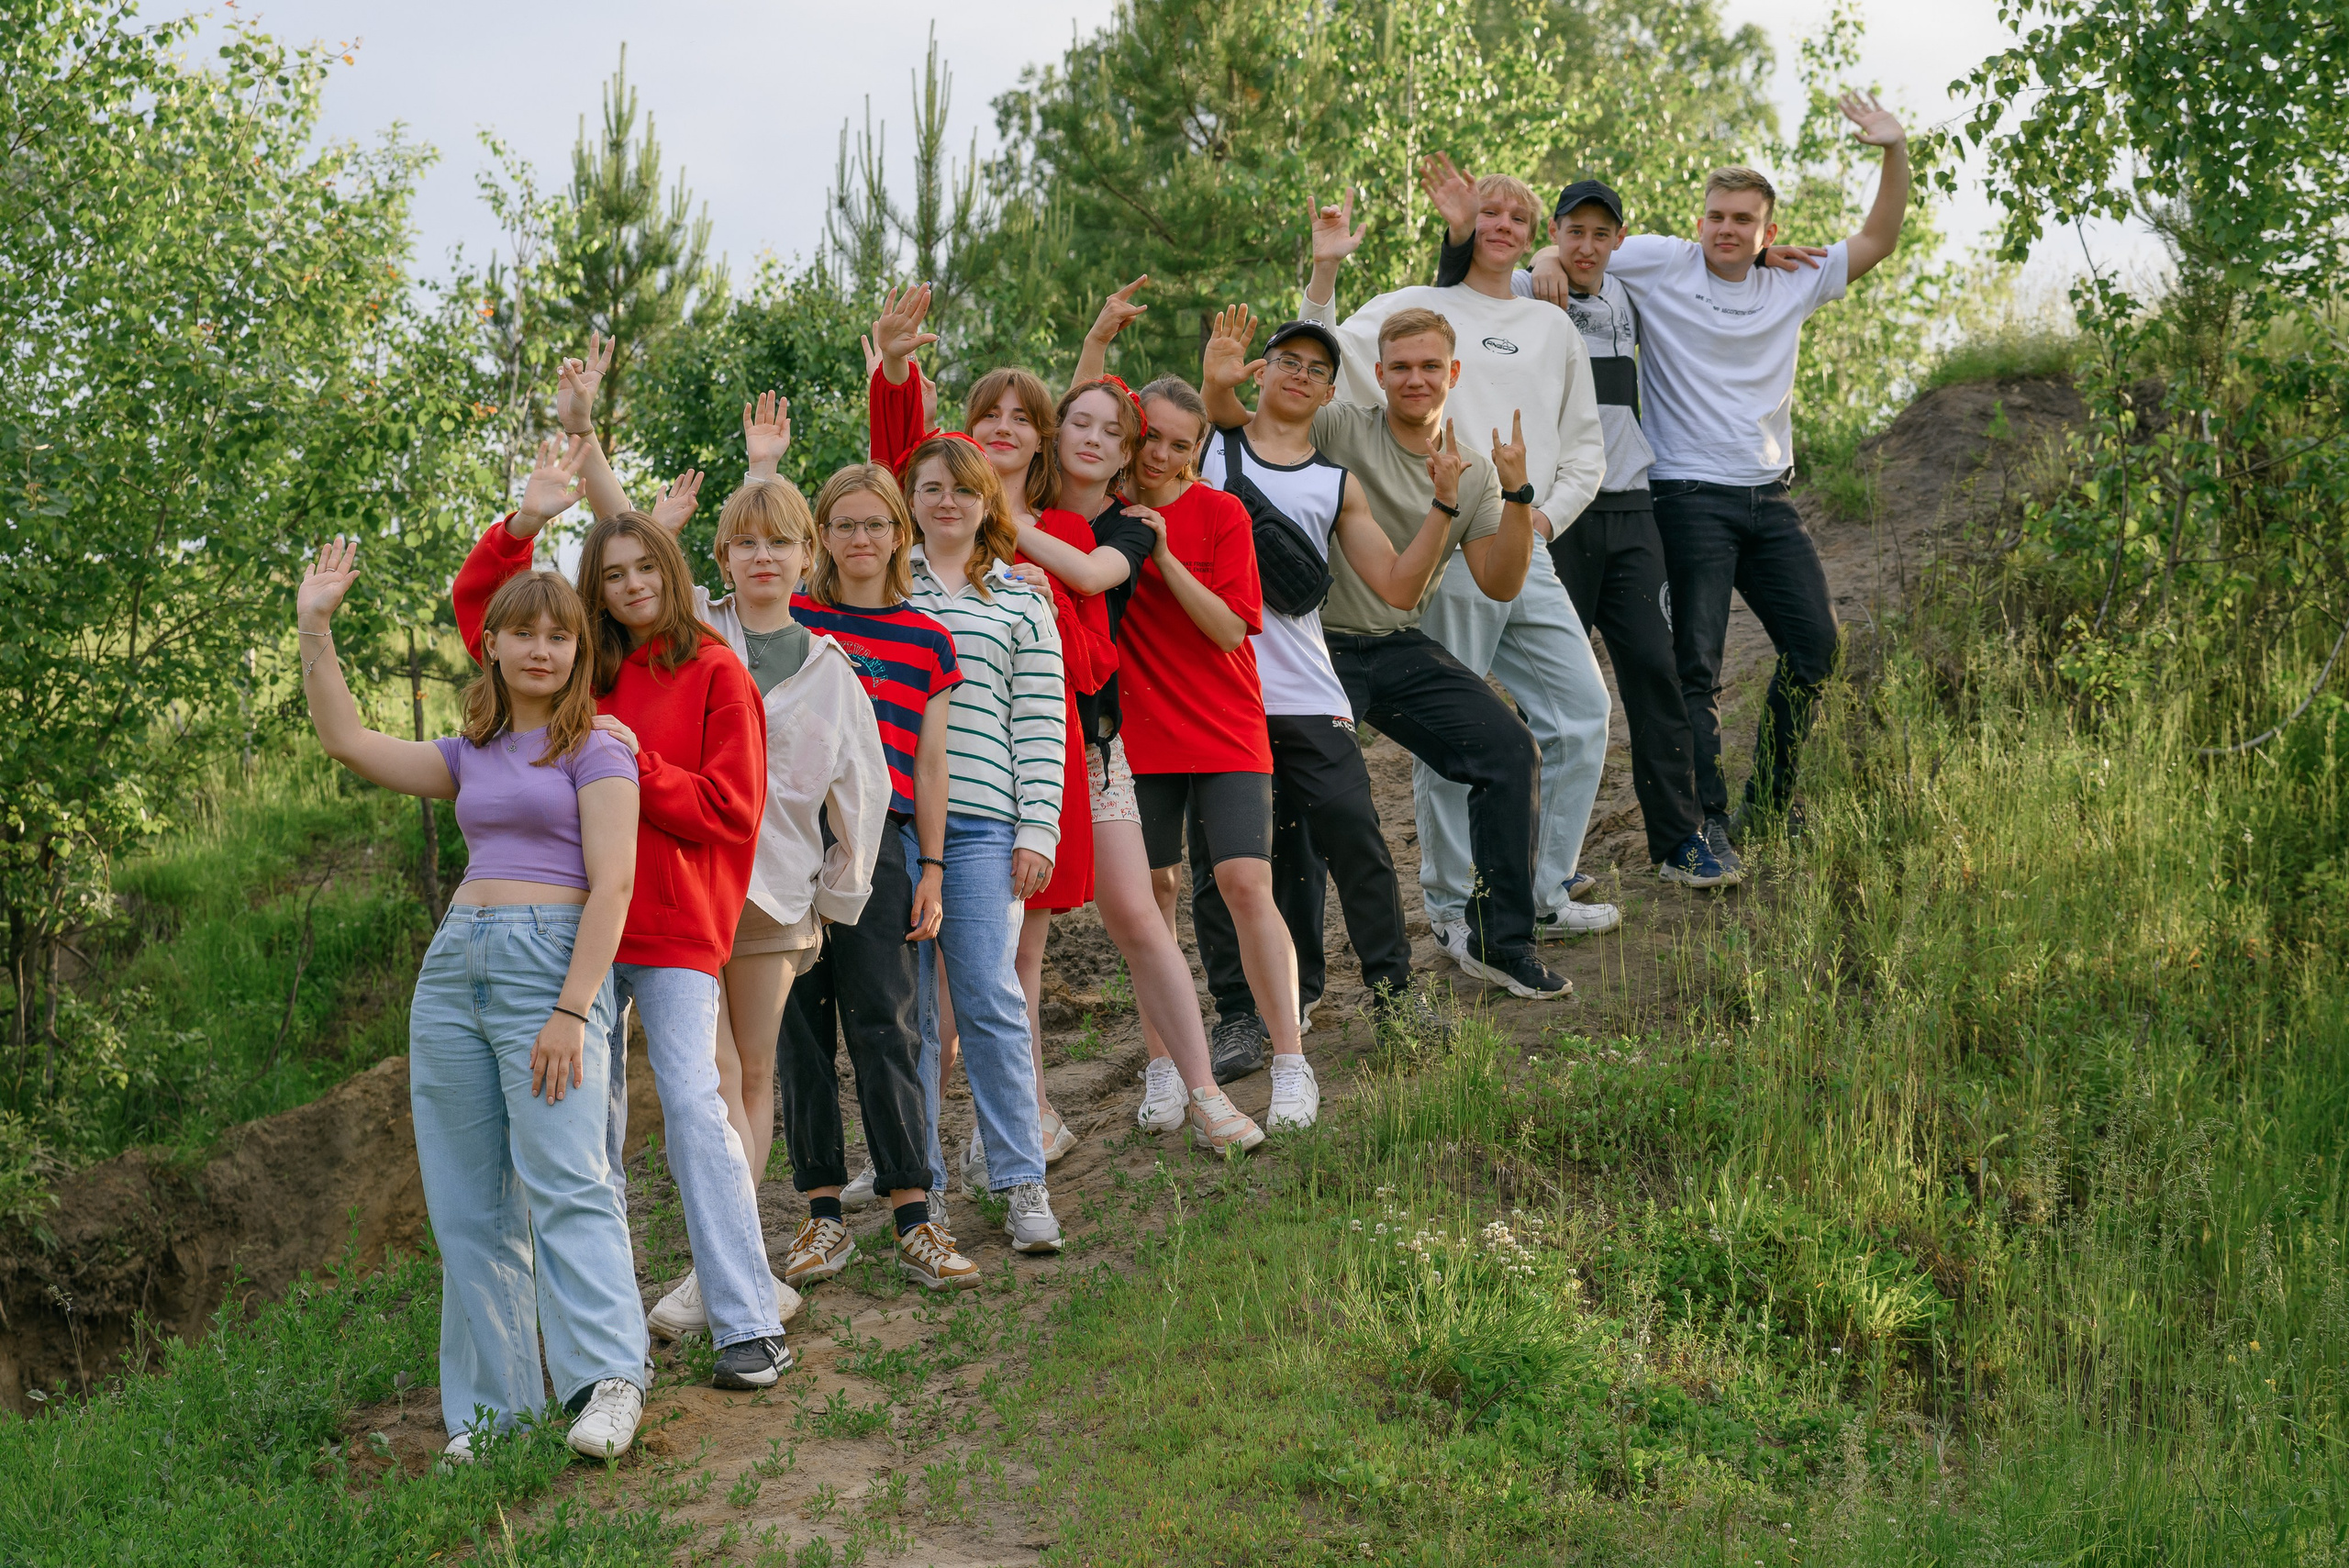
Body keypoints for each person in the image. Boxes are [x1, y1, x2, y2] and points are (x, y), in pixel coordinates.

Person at [297, 520, 648, 1461]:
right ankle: (496, 1413)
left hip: (550, 964)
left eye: (561, 634)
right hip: (456, 969)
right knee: (468, 1203)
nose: (542, 647)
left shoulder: (600, 747)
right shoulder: (469, 750)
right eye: (524, 632)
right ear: (490, 642)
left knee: (569, 1176)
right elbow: (348, 739)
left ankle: (608, 1380)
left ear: (578, 650)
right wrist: (314, 629)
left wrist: (575, 1007)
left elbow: (613, 883)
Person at [453, 429, 791, 1391]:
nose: (634, 584)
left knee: (692, 1102)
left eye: (648, 565)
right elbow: (487, 612)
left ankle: (748, 1318)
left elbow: (731, 807)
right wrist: (525, 522)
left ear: (673, 570)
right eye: (614, 573)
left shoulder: (719, 671)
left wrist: (633, 759)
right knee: (584, 1131)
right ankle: (598, 1351)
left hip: (678, 924)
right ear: (593, 589)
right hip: (576, 930)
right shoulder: (583, 671)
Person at [1520, 94, 1912, 845]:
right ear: (1699, 220)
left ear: (1770, 231)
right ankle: (1710, 821)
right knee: (1693, 665)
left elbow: (1879, 237)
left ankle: (1771, 797)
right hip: (1686, 494)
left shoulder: (1792, 279)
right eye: (1716, 216)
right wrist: (1543, 256)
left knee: (1817, 648)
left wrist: (1893, 150)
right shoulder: (1664, 261)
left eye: (1743, 220)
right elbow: (1577, 248)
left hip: (1770, 496)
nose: (1726, 229)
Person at [1201, 301, 1567, 1002]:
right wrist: (1317, 278)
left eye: (1430, 366)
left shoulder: (1474, 471)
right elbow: (1254, 418)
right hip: (1314, 647)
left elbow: (1500, 580)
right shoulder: (1340, 427)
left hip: (1395, 644)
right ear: (1378, 375)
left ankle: (1500, 940)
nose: (1415, 378)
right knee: (1300, 810)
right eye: (1400, 367)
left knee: (1509, 748)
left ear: (1453, 372)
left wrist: (1517, 494)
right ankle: (1299, 985)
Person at [1297, 183, 1621, 960]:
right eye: (1490, 213)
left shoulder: (1551, 324)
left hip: (1518, 535)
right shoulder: (1415, 306)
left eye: (1517, 216)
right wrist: (1324, 274)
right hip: (1440, 545)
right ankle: (1450, 905)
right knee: (1460, 738)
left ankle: (1543, 888)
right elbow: (1319, 357)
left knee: (1583, 712)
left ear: (1532, 231)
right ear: (1466, 225)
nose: (1502, 227)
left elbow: (1584, 445)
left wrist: (1539, 515)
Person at [630, 401, 894, 1336]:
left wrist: (835, 893)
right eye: (744, 544)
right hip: (689, 886)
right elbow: (630, 587)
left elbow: (861, 791)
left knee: (750, 1076)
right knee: (701, 1082)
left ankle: (718, 1270)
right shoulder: (697, 635)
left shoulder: (833, 671)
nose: (762, 559)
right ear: (723, 558)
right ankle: (728, 1263)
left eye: (779, 543)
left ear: (806, 558)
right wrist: (734, 480)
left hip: (777, 897)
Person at [864, 287, 1120, 1173]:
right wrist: (895, 370)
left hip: (1015, 778)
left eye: (1024, 416)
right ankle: (912, 1148)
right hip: (908, 795)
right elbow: (896, 465)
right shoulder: (914, 531)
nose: (1006, 426)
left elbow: (1080, 669)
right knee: (918, 988)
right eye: (989, 414)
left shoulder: (1052, 542)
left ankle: (1018, 1130)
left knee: (1010, 973)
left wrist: (1028, 549)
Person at [1428, 166, 1738, 888]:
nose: (1588, 245)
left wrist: (1765, 256)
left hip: (1631, 504)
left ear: (1620, 241)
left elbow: (1718, 261)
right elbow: (1458, 300)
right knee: (1544, 695)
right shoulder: (1533, 292)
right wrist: (1531, 259)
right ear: (1553, 237)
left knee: (1654, 675)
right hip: (1547, 511)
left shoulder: (1635, 291)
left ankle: (1678, 842)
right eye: (1573, 232)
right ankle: (1525, 867)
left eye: (1603, 233)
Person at [991, 373, 1270, 1145]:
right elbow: (1045, 410)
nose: (1090, 437)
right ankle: (1035, 1111)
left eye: (1111, 432)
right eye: (1075, 424)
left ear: (1126, 452)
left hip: (1092, 743)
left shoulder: (1131, 525)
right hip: (1008, 748)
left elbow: (1084, 576)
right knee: (1023, 942)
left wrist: (1002, 523)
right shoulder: (1021, 501)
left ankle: (1205, 1091)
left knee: (1140, 916)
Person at [1177, 306, 1453, 1060]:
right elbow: (1164, 432)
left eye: (1317, 369)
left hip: (1308, 693)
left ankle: (1394, 996)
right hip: (1220, 694)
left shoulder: (1338, 483)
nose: (1300, 375)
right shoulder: (1205, 448)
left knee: (1357, 839)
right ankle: (1240, 1015)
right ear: (1260, 373)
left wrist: (1445, 504)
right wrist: (1211, 381)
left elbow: (1399, 587)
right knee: (1222, 866)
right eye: (1287, 362)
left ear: (1331, 393)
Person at [1100, 374, 1325, 1129]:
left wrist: (1160, 555)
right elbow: (1076, 415)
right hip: (1142, 731)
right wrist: (1098, 342)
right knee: (1154, 894)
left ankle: (1292, 1060)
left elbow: (1230, 628)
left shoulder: (1220, 512)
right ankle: (1162, 1065)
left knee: (1242, 882)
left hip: (1227, 725)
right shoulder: (1102, 512)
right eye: (1150, 436)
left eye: (1178, 442)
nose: (1159, 453)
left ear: (1197, 451)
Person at [782, 463, 983, 1292]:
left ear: (900, 533)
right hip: (788, 845)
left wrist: (932, 865)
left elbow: (930, 765)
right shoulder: (793, 619)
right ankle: (821, 1218)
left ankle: (914, 1215)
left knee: (889, 1024)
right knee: (799, 1026)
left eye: (875, 524)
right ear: (821, 537)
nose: (860, 539)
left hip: (883, 844)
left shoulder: (928, 640)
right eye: (844, 524)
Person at [893, 430, 1072, 1252]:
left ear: (985, 503)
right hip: (884, 829)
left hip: (979, 826)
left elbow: (1038, 720)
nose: (946, 502)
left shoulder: (1022, 601)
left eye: (962, 489)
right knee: (906, 1015)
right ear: (911, 501)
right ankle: (918, 1188)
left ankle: (1021, 1177)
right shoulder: (881, 593)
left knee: (990, 1002)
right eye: (929, 488)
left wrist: (1038, 826)